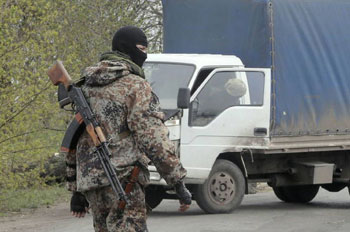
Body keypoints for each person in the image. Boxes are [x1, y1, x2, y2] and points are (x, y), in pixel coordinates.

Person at [65, 26, 192, 232]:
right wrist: (177, 181)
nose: (145, 54)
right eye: (141, 48)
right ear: (127, 49)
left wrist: (75, 188)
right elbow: (153, 139)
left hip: (93, 183)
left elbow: (75, 139)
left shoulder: (87, 85)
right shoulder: (136, 86)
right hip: (125, 180)